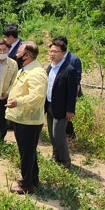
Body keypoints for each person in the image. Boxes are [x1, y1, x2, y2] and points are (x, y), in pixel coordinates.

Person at [6, 41, 48, 194]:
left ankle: (26, 185)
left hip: (29, 120)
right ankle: (33, 179)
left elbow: (37, 97)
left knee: (27, 153)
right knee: (28, 152)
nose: (16, 53)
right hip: (21, 117)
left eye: (19, 51)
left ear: (27, 56)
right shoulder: (26, 69)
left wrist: (18, 102)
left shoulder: (37, 72)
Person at [45, 39, 78, 168]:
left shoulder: (69, 70)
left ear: (63, 53)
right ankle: (55, 155)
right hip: (49, 105)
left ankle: (65, 160)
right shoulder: (50, 67)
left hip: (61, 108)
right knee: (52, 135)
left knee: (59, 135)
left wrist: (70, 110)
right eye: (51, 51)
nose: (52, 54)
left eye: (55, 51)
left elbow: (72, 93)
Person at [51, 36, 83, 140]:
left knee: (67, 117)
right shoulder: (53, 62)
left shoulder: (74, 60)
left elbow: (76, 81)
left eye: (56, 50)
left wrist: (74, 99)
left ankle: (70, 136)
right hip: (57, 96)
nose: (53, 53)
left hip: (68, 94)